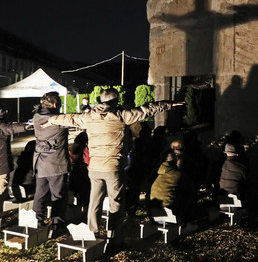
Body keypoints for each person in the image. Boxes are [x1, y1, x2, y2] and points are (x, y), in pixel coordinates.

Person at [42, 88, 179, 252]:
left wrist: (52, 120)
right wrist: (169, 104)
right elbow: (146, 109)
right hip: (113, 169)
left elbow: (70, 118)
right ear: (116, 100)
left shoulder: (89, 117)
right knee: (116, 204)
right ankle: (114, 240)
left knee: (94, 202)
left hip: (94, 168)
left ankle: (92, 233)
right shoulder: (121, 115)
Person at [32, 91, 70, 237]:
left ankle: (36, 221)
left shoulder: (36, 117)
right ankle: (56, 224)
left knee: (40, 193)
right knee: (58, 195)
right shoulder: (58, 120)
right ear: (55, 105)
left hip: (41, 162)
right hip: (56, 164)